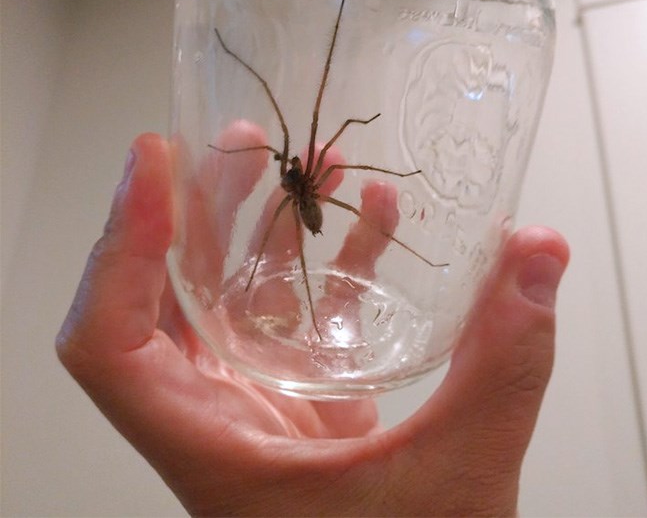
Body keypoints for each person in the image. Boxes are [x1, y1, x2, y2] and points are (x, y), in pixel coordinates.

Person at [57, 132, 569, 516]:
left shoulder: (300, 185)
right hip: (300, 213)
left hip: (307, 210)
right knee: (295, 231)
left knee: (336, 194)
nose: (293, 164)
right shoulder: (292, 188)